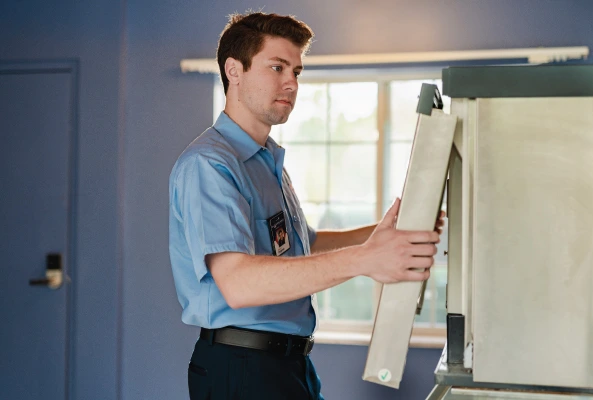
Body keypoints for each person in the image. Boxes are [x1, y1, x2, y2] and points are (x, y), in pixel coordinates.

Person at [169, 11, 443, 400]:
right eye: (277, 67)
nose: (291, 83)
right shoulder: (210, 165)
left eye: (296, 71)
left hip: (290, 365)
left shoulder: (267, 161)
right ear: (234, 70)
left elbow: (300, 245)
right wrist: (366, 259)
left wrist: (379, 235)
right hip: (242, 369)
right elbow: (238, 282)